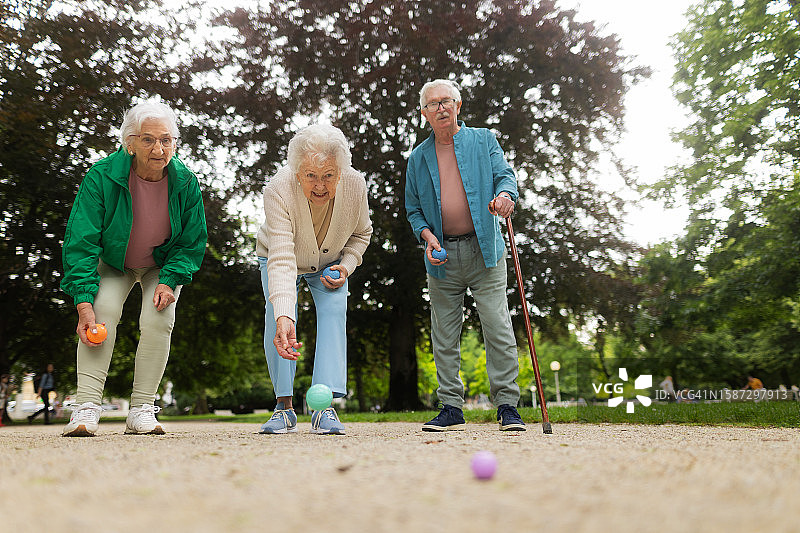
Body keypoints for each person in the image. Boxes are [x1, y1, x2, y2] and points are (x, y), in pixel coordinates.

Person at [60, 101, 208, 437]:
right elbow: (81, 241)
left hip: (162, 264)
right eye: (148, 140)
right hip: (115, 262)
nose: (159, 148)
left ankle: (141, 408)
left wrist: (170, 281)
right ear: (130, 142)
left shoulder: (184, 182)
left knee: (158, 320)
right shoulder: (101, 177)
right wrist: (83, 300)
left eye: (166, 140)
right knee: (102, 314)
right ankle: (86, 406)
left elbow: (191, 240)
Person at [405, 79, 525, 431]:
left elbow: (505, 175)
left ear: (458, 105)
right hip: (442, 257)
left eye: (446, 101)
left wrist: (505, 195)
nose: (440, 108)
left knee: (498, 326)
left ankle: (507, 405)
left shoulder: (484, 140)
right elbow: (414, 211)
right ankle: (451, 408)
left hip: (484, 249)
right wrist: (428, 238)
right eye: (432, 104)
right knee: (444, 334)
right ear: (424, 114)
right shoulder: (417, 158)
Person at [257, 124, 372, 435]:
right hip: (281, 257)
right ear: (297, 172)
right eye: (311, 176)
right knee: (279, 321)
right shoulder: (277, 190)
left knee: (335, 311)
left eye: (328, 176)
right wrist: (284, 313)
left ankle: (324, 408)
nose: (320, 185)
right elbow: (281, 257)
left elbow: (362, 234)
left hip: (332, 262)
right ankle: (284, 408)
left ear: (341, 172)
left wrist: (346, 266)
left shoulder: (355, 186)